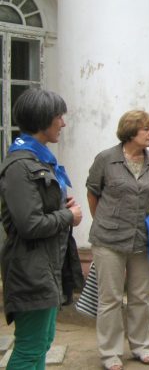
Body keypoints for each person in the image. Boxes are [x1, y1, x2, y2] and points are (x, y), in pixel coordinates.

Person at [0, 89, 83, 369]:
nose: (63, 123)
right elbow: (29, 224)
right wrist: (67, 215)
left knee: (42, 343)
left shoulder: (39, 160)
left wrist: (60, 203)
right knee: (29, 349)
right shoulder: (20, 165)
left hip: (45, 266)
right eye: (59, 116)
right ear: (43, 119)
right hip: (30, 269)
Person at [87, 110, 149, 370]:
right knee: (110, 298)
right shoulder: (106, 160)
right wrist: (102, 222)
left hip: (142, 239)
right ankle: (110, 353)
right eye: (147, 129)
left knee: (140, 295)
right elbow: (93, 192)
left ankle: (141, 345)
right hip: (108, 239)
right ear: (131, 131)